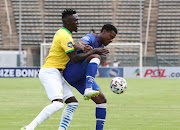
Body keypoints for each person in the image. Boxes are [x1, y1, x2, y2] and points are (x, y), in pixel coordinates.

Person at [21, 9, 109, 130]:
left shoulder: (66, 35)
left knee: (73, 103)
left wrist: (86, 49)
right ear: (68, 22)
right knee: (57, 104)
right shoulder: (64, 35)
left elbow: (76, 51)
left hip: (57, 73)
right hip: (50, 71)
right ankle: (29, 127)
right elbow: (75, 58)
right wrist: (94, 51)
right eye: (76, 20)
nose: (78, 23)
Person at [63, 24, 118, 130]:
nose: (111, 40)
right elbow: (77, 43)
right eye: (111, 36)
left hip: (80, 78)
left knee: (101, 100)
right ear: (104, 31)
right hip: (71, 71)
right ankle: (88, 89)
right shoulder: (92, 37)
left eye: (113, 38)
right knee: (96, 56)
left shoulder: (101, 46)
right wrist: (84, 47)